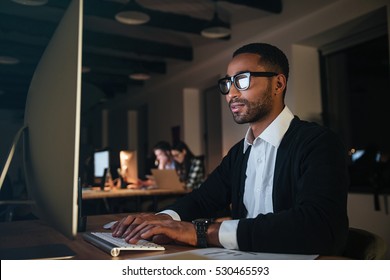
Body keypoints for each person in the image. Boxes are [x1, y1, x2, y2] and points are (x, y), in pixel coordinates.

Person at [112, 43, 349, 256]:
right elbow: (202, 199)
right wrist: (160, 219)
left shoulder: (318, 143)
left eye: (242, 80)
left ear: (278, 83)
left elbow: (317, 226)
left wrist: (202, 232)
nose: (231, 94)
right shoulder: (239, 153)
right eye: (228, 83)